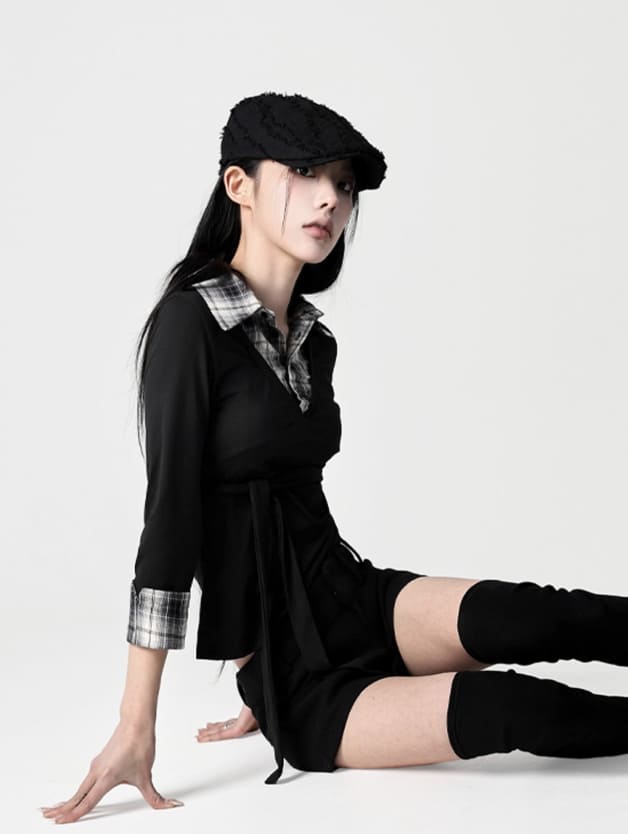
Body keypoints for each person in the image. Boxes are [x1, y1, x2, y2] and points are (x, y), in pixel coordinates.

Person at [41, 91, 628, 825]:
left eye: (344, 185)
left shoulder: (314, 342)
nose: (330, 199)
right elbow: (172, 526)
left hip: (354, 601)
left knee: (543, 616)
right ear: (239, 184)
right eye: (304, 173)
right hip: (299, 680)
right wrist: (142, 722)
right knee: (515, 709)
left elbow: (285, 498)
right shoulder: (190, 325)